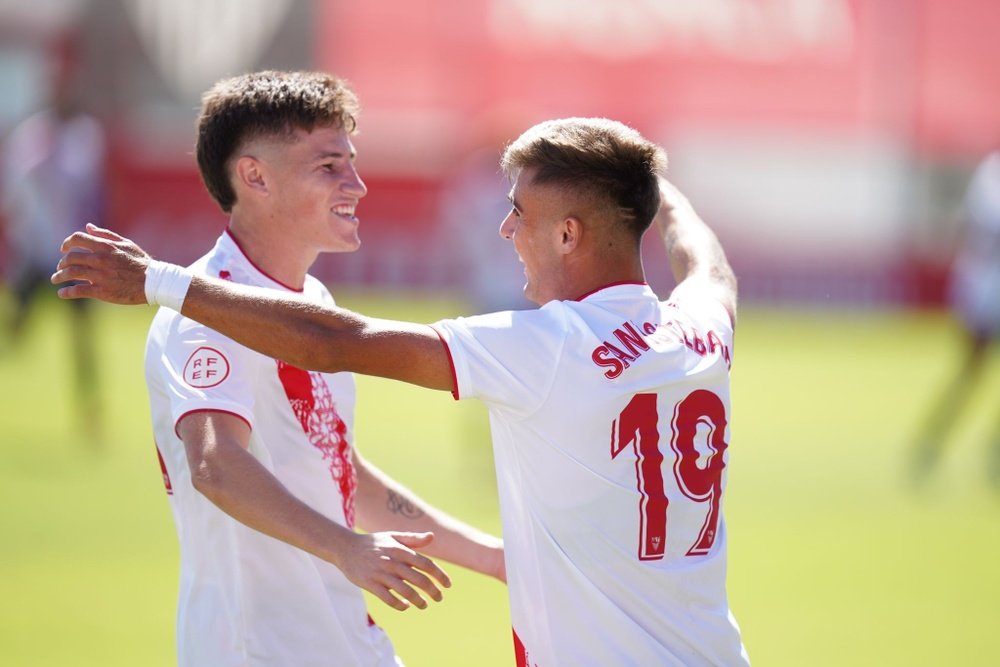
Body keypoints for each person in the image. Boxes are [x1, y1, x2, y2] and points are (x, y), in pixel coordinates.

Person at [54, 117, 750, 665]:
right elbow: (708, 261)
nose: (505, 230)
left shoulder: (543, 346)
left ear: (569, 233)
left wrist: (158, 282)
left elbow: (338, 341)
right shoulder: (700, 325)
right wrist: (661, 187)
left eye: (521, 214)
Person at [58, 70, 506, 667]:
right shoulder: (204, 312)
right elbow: (216, 465)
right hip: (259, 650)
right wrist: (347, 548)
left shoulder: (311, 300)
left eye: (352, 161)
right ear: (254, 176)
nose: (359, 185)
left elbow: (338, 468)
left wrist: (494, 558)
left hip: (346, 642)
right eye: (329, 166)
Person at [1, 62, 106, 443]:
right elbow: (15, 191)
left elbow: (86, 185)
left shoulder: (84, 136)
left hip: (71, 251)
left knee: (81, 336)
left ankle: (90, 412)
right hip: (36, 248)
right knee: (16, 326)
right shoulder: (31, 136)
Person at [911, 148, 1000, 485]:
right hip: (986, 291)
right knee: (970, 375)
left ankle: (991, 450)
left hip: (986, 286)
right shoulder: (991, 176)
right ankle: (932, 441)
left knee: (971, 376)